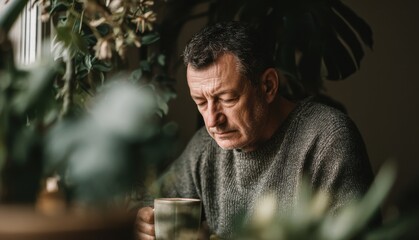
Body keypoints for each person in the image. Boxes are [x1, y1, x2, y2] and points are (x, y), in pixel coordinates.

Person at [135, 21, 374, 239]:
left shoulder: (327, 139)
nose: (212, 120)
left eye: (227, 99)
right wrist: (142, 220)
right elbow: (148, 201)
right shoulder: (205, 147)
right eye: (200, 102)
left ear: (268, 86)